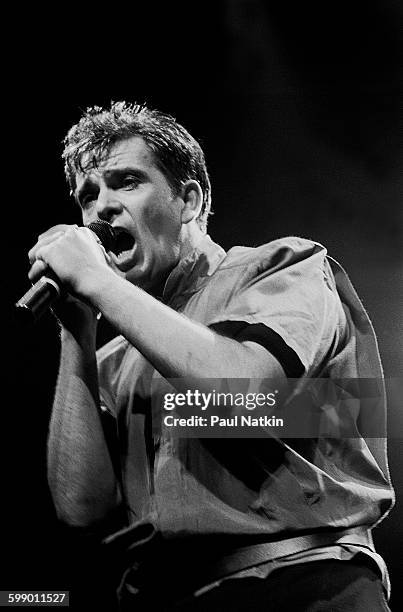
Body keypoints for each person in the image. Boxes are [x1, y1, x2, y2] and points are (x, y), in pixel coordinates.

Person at [28, 102, 394, 611]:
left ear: (189, 200)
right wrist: (77, 332)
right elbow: (81, 509)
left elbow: (247, 390)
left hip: (303, 585)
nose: (101, 209)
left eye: (127, 181)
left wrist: (95, 281)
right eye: (88, 196)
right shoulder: (111, 361)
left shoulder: (282, 270)